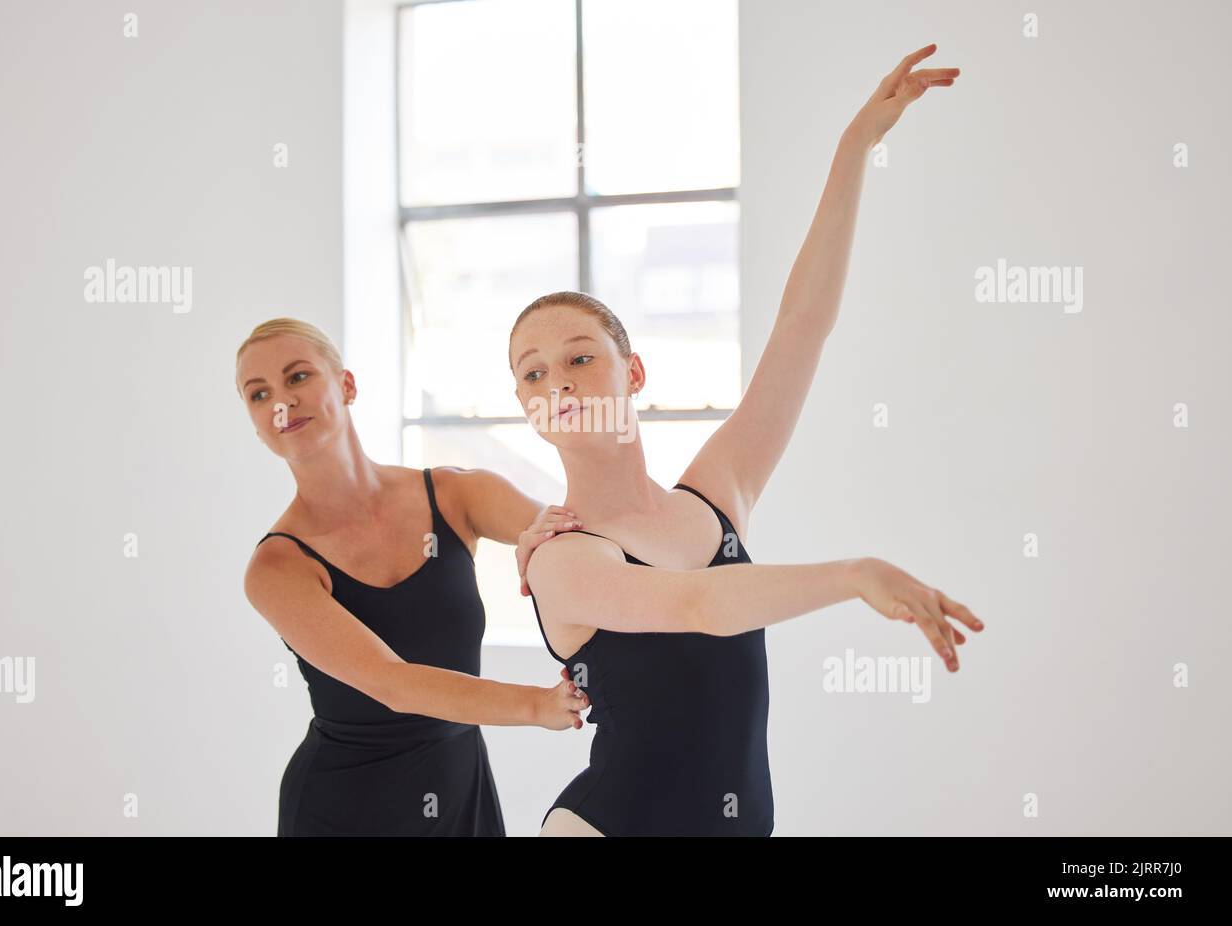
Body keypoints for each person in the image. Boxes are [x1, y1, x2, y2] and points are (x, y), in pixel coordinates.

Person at [515, 45, 983, 836]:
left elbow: (803, 326)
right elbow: (700, 605)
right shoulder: (562, 558)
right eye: (532, 374)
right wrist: (854, 573)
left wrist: (857, 144)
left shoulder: (715, 493)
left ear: (632, 370)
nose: (556, 383)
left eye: (579, 359)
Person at [237, 317, 589, 835]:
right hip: (343, 807)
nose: (281, 403)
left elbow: (577, 544)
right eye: (259, 393)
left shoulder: (456, 496)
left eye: (297, 377)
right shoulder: (276, 567)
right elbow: (392, 683)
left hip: (459, 788)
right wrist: (537, 705)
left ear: (346, 385)